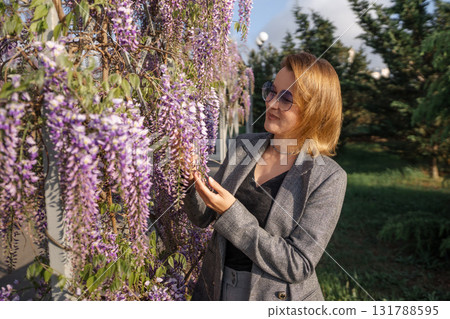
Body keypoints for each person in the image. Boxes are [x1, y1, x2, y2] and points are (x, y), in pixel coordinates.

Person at [183, 52, 348, 301]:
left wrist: (231, 213)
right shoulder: (243, 146)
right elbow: (202, 217)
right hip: (216, 289)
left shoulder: (327, 177)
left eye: (286, 98)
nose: (271, 103)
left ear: (314, 110)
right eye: (272, 91)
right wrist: (186, 175)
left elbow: (298, 264)